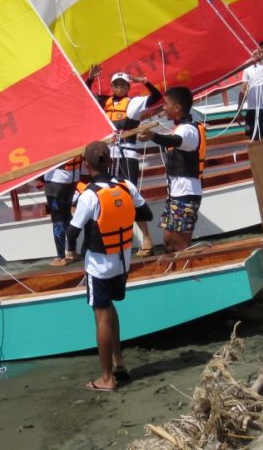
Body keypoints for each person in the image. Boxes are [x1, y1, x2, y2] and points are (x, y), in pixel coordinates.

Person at [67, 141, 152, 392]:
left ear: (86, 165)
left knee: (101, 315)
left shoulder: (89, 195)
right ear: (110, 161)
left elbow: (72, 232)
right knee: (110, 309)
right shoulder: (126, 186)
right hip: (122, 262)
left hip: (99, 267)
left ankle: (106, 378)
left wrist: (68, 251)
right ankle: (119, 362)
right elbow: (145, 214)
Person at [86, 65, 160, 256]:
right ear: (112, 86)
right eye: (116, 85)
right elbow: (85, 98)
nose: (119, 88)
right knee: (109, 197)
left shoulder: (133, 103)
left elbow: (156, 97)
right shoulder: (105, 102)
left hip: (127, 155)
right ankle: (116, 239)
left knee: (129, 196)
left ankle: (147, 238)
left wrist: (145, 82)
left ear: (128, 87)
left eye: (123, 85)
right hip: (109, 157)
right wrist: (91, 79)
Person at [139, 87, 205, 254]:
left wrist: (153, 136)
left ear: (177, 108)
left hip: (187, 192)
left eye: (165, 104)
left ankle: (188, 273)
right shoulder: (179, 127)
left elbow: (175, 141)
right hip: (176, 194)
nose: (163, 108)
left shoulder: (188, 129)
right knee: (168, 243)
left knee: (180, 246)